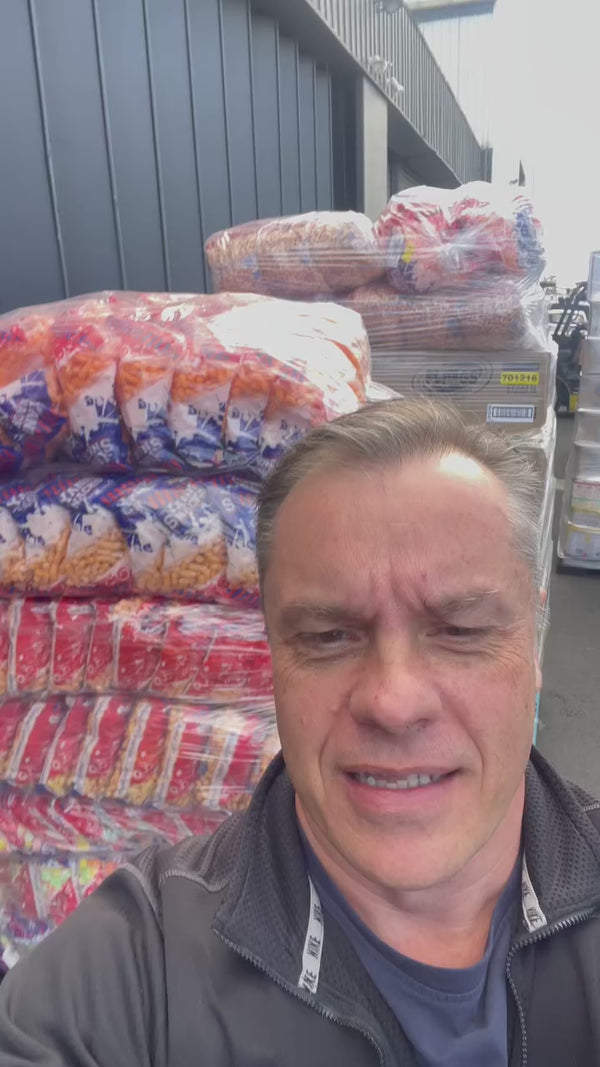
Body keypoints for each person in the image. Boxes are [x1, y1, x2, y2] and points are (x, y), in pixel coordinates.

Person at [1, 398, 599, 1067]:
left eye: (459, 631)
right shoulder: (137, 968)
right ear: (273, 656)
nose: (393, 701)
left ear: (534, 640)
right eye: (327, 635)